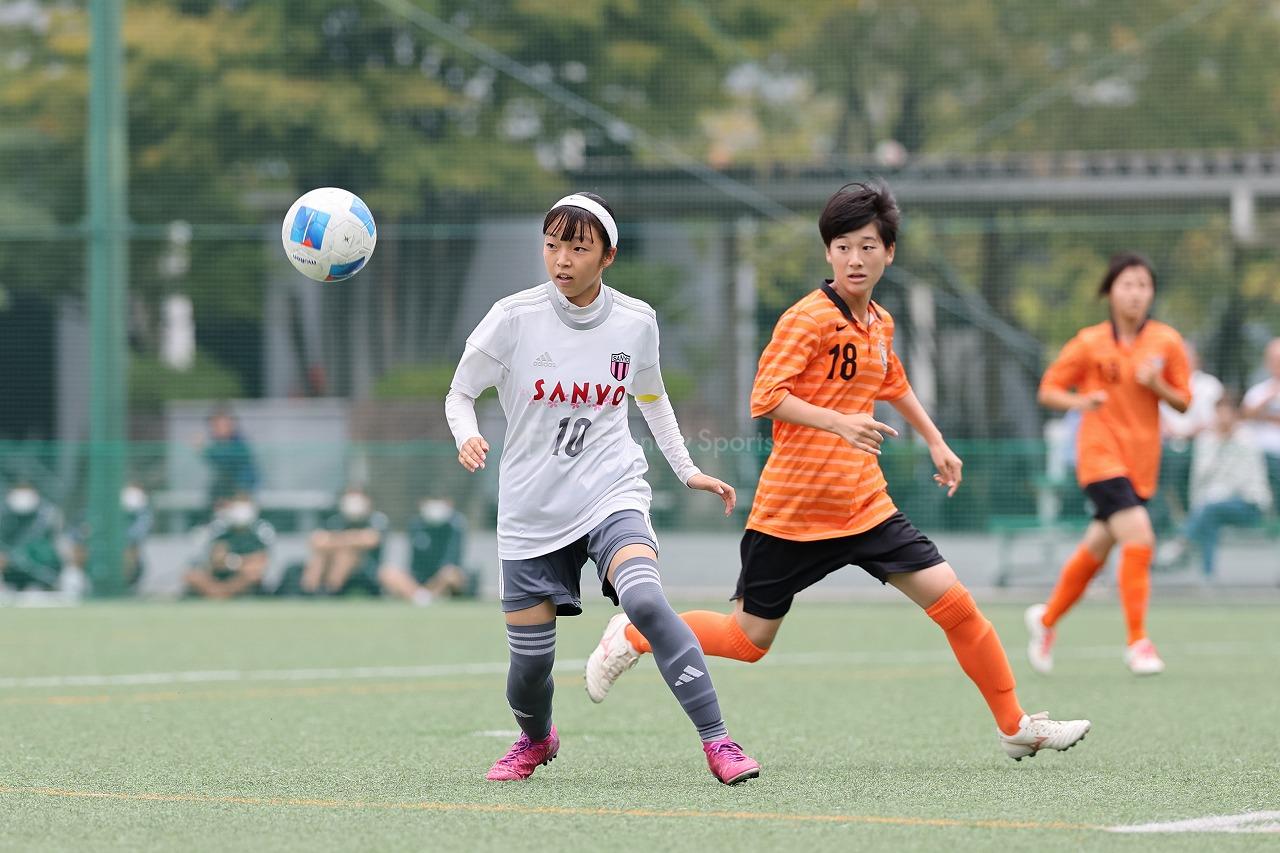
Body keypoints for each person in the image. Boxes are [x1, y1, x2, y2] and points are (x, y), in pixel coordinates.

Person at [585, 181, 1091, 762]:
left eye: (868, 246)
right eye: (844, 246)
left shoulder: (880, 323)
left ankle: (1014, 724)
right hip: (793, 513)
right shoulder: (806, 319)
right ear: (828, 252)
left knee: (956, 606)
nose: (855, 258)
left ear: (889, 253)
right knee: (748, 640)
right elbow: (764, 397)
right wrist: (839, 423)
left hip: (865, 506)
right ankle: (634, 633)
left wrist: (935, 441)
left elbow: (893, 382)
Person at [446, 192, 759, 784]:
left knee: (646, 601)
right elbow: (460, 393)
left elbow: (652, 397)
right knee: (529, 670)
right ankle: (536, 739)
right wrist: (467, 434)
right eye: (552, 245)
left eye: (577, 248)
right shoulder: (512, 318)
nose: (562, 259)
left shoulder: (635, 322)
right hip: (532, 509)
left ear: (608, 256)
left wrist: (686, 469)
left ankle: (720, 741)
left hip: (611, 491)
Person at [1025, 252, 1191, 676]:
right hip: (1099, 458)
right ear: (1110, 292)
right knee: (1140, 537)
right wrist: (1082, 401)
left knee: (1098, 548)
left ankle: (1046, 621)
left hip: (1142, 463)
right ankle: (1138, 643)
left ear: (1152, 293)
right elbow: (1049, 389)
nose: (1136, 293)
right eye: (1127, 285)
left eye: (1143, 285)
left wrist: (1157, 384)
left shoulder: (1167, 342)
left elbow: (1184, 402)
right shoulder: (1089, 342)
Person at [1159, 392, 1272, 579]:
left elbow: (1243, 484)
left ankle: (1180, 543)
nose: (1223, 418)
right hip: (1210, 505)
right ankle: (1208, 576)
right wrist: (1219, 444)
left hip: (1248, 504)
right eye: (1220, 413)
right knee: (1209, 517)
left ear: (1235, 415)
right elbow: (1200, 476)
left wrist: (1212, 499)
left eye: (1228, 413)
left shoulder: (1247, 440)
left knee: (1210, 509)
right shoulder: (1206, 440)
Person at [1155, 342, 1222, 530]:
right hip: (1168, 447)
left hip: (1202, 447)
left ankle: (1193, 522)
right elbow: (1158, 415)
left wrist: (1187, 433)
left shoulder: (1209, 384)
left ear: (1197, 358)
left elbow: (1212, 420)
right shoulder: (1162, 382)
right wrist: (1172, 432)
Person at [377, 496, 472, 605]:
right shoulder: (416, 525)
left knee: (451, 573)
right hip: (417, 579)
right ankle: (422, 597)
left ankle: (425, 597)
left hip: (441, 578)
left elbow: (452, 562)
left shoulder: (455, 526)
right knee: (387, 573)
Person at [66, 482, 154, 593]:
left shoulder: (140, 515)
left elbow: (136, 535)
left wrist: (114, 536)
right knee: (78, 549)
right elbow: (75, 531)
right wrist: (86, 533)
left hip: (123, 556)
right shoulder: (100, 508)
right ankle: (76, 585)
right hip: (95, 551)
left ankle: (120, 586)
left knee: (129, 550)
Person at [299, 485, 387, 596]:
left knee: (345, 554)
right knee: (319, 555)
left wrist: (335, 540)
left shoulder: (376, 519)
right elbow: (316, 540)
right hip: (330, 563)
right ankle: (309, 592)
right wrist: (352, 539)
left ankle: (331, 591)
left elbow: (371, 539)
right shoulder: (335, 519)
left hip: (368, 568)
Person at [184, 494, 273, 599]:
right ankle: (220, 594)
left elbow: (259, 563)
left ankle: (220, 595)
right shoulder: (220, 530)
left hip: (243, 579)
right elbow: (217, 560)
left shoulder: (259, 533)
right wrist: (241, 561)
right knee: (192, 575)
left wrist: (233, 561)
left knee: (252, 574)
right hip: (220, 576)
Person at [0, 481, 64, 592]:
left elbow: (56, 546)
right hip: (9, 574)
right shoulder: (4, 513)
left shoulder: (48, 513)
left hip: (41, 570)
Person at [1242, 337, 1280, 505]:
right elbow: (1245, 414)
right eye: (1275, 359)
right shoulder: (1259, 391)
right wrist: (1268, 398)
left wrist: (1264, 416)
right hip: (1259, 458)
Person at [200, 406, 258, 508]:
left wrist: (239, 495)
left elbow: (248, 473)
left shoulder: (239, 446)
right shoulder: (218, 445)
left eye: (222, 425)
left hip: (240, 498)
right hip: (223, 498)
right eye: (215, 426)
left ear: (231, 425)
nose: (218, 429)